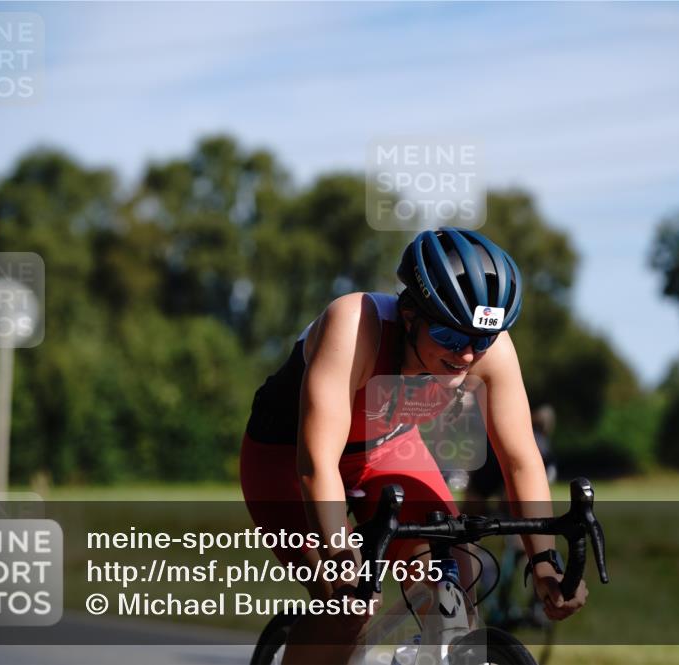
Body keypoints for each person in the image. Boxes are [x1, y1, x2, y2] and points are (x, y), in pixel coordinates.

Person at [240, 227, 587, 664]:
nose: (466, 355)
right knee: (347, 605)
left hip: (384, 452)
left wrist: (545, 561)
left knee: (454, 583)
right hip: (287, 461)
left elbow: (520, 460)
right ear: (409, 315)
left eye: (480, 340)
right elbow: (317, 463)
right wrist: (341, 557)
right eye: (449, 337)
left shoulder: (489, 348)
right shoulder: (355, 324)